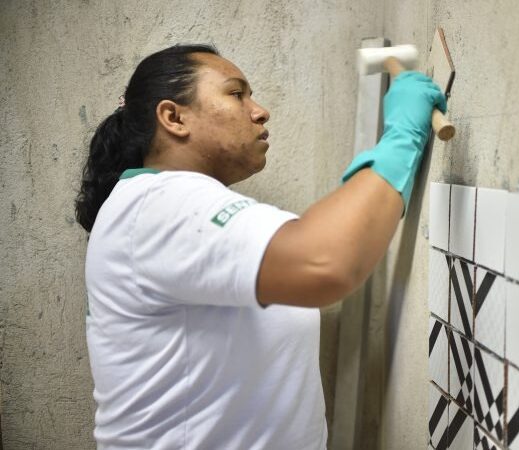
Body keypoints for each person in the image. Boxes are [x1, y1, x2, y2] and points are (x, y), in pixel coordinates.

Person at [74, 44, 446, 449]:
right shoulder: (162, 203)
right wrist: (401, 137)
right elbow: (325, 262)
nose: (260, 110)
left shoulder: (157, 204)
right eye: (236, 94)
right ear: (174, 117)